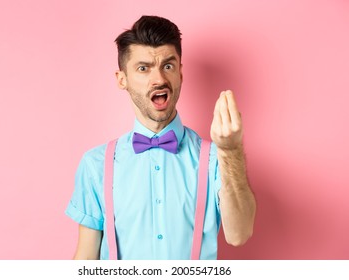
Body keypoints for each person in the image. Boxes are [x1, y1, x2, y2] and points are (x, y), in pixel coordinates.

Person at [65, 15, 256, 260]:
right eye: (143, 68)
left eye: (168, 66)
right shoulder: (95, 164)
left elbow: (239, 234)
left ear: (180, 74)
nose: (159, 80)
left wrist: (230, 151)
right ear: (122, 79)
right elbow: (86, 258)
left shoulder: (216, 160)